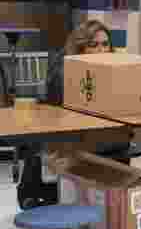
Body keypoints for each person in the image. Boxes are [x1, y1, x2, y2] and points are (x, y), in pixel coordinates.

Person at [18, 21, 123, 209]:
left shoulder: (110, 68)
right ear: (80, 47)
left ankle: (106, 196)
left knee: (120, 143)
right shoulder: (65, 70)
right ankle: (39, 194)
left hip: (96, 131)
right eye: (93, 45)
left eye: (105, 44)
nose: (102, 50)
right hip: (66, 131)